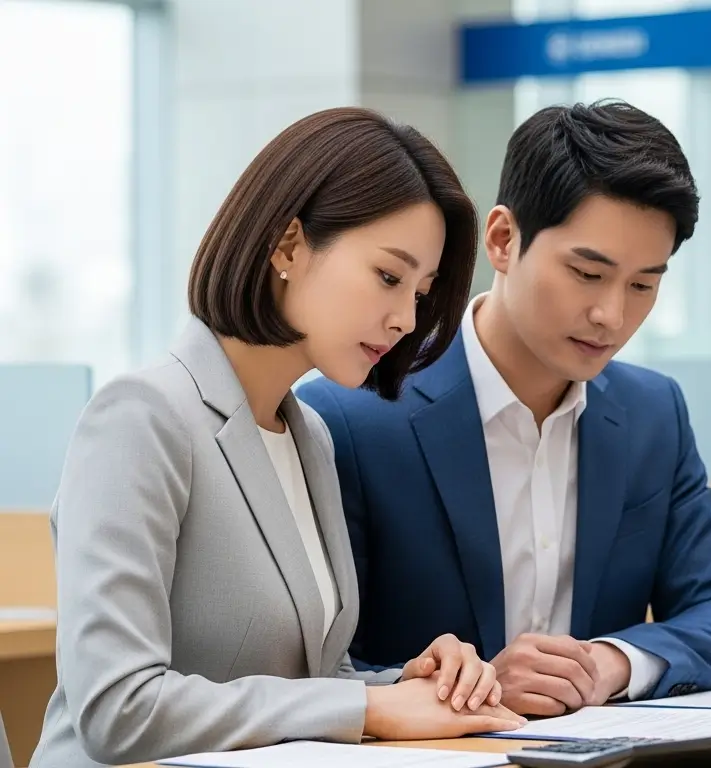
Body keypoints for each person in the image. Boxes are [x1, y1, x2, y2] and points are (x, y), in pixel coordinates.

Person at [30, 107, 525, 768]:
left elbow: (302, 690)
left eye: (422, 291)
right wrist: (371, 710)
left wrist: (407, 687)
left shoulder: (309, 434)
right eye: (388, 276)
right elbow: (117, 708)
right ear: (289, 246)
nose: (406, 317)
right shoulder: (141, 417)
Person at [298, 100, 711, 716]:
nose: (612, 315)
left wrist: (607, 663)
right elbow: (312, 669)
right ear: (502, 240)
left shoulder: (653, 413)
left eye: (642, 285)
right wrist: (473, 687)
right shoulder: (347, 416)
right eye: (586, 273)